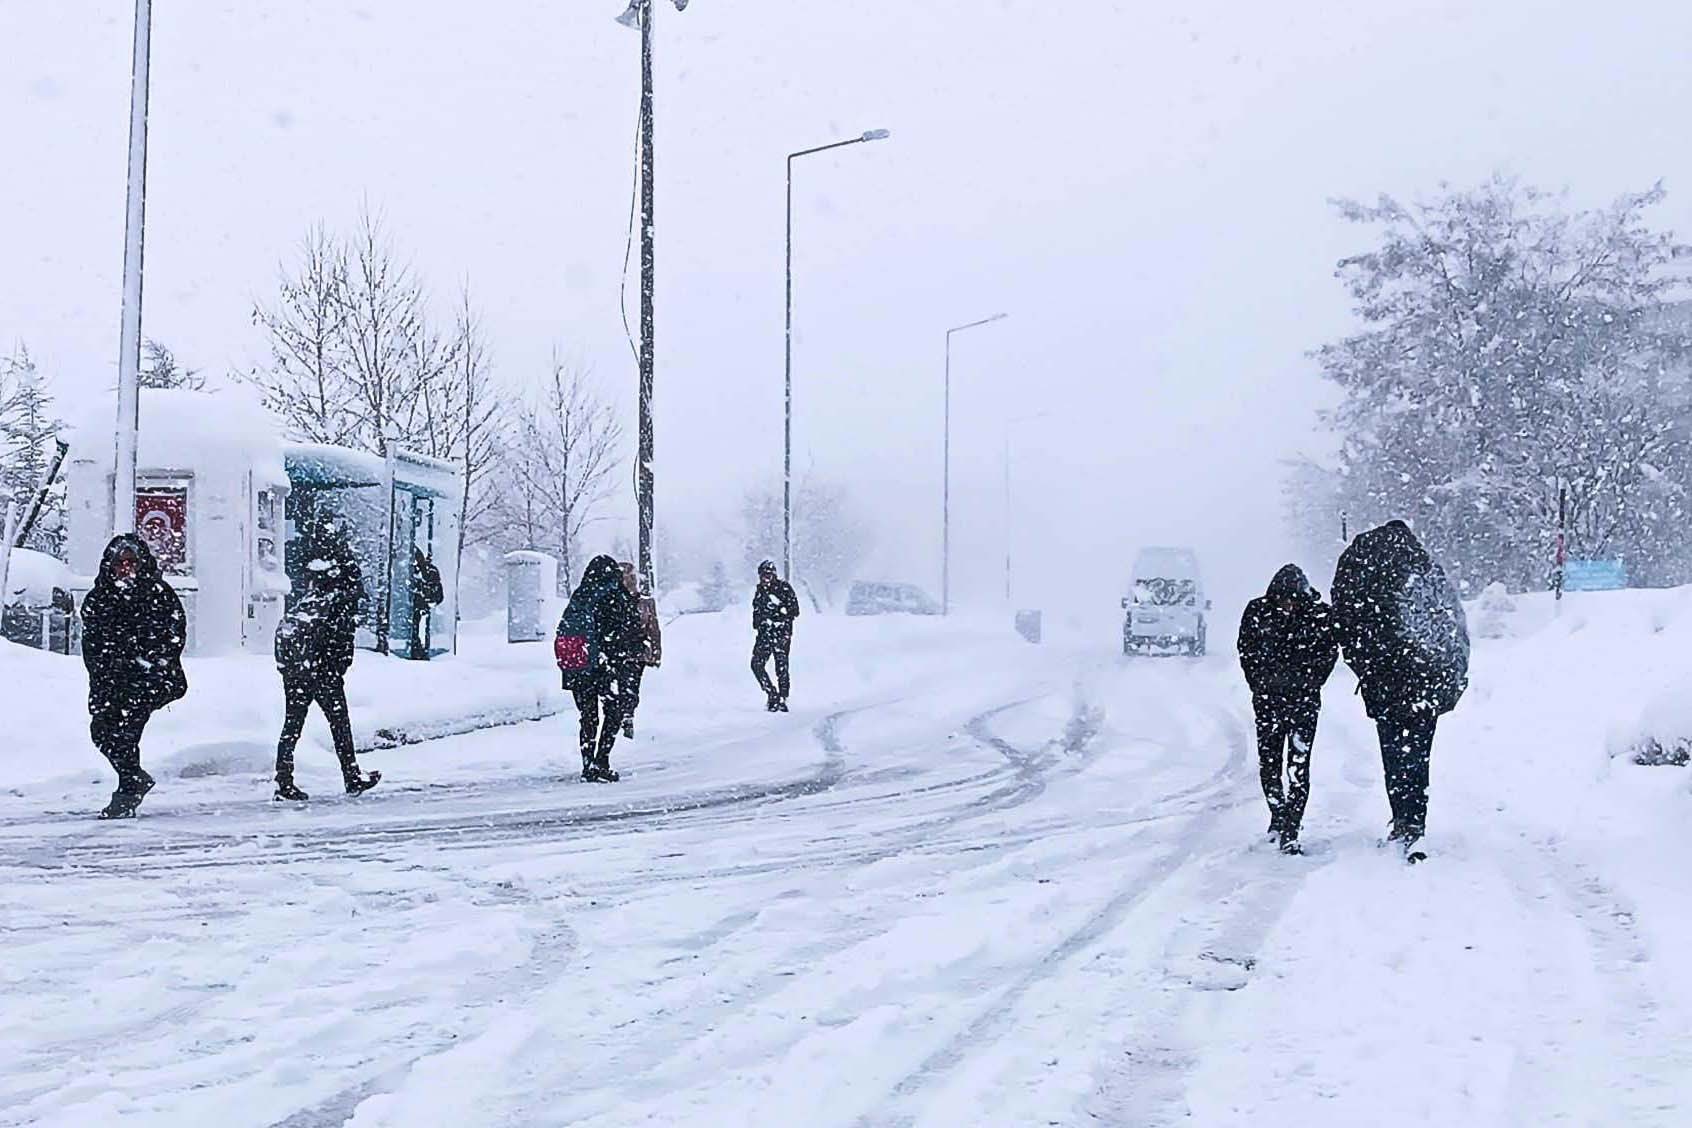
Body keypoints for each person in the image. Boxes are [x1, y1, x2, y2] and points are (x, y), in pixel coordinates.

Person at [1331, 520, 1469, 858]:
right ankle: (1415, 822)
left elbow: (1347, 625)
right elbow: (1452, 626)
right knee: (1419, 756)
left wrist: (1367, 668)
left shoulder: (1367, 575)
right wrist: (1448, 677)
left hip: (1387, 685)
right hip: (1427, 684)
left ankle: (1402, 818)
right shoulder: (1425, 572)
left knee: (1394, 755)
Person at [80, 534, 187, 819]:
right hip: (111, 681)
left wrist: (153, 664)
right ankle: (133, 779)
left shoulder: (157, 594)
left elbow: (174, 635)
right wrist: (104, 674)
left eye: (131, 563)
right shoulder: (99, 598)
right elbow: (92, 644)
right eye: (120, 563)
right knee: (102, 732)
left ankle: (127, 794)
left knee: (127, 733)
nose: (126, 569)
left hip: (149, 680)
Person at [273, 520, 382, 801]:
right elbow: (338, 641)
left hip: (299, 669)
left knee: (292, 724)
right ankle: (351, 776)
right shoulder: (340, 599)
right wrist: (335, 667)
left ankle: (284, 779)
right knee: (339, 723)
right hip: (322, 672)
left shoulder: (314, 593)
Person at [1238, 564, 1338, 854]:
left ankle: (1291, 827)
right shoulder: (1258, 612)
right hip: (1269, 701)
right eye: (1283, 600)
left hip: (1302, 702)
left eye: (1292, 601)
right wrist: (1260, 684)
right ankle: (1278, 815)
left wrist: (1310, 683)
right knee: (1269, 765)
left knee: (1298, 766)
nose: (1287, 606)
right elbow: (1246, 651)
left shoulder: (1319, 616)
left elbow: (1329, 653)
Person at [555, 554, 643, 782]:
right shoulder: (614, 594)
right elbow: (626, 629)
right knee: (613, 711)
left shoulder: (581, 594)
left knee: (588, 716)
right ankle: (601, 761)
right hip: (604, 665)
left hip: (578, 666)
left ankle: (587, 764)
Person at [617, 562, 663, 739]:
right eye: (627, 577)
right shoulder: (612, 601)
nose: (631, 581)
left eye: (632, 577)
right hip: (616, 651)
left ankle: (627, 716)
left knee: (630, 686)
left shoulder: (645, 603)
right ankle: (622, 715)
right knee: (621, 686)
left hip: (636, 652)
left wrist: (656, 652)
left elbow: (654, 629)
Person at [750, 559, 800, 711]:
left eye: (768, 574)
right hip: (764, 635)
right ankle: (772, 694)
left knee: (781, 667)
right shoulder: (760, 591)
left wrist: (779, 614)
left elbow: (794, 610)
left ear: (773, 575)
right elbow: (757, 611)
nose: (765, 578)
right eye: (763, 575)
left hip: (781, 634)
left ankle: (783, 699)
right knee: (756, 664)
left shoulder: (784, 588)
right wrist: (758, 623)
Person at [409, 548, 444, 660]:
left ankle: (419, 650)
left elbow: (438, 595)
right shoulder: (426, 570)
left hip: (419, 609)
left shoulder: (429, 571)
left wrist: (427, 602)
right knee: (417, 628)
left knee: (419, 628)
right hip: (416, 609)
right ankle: (418, 649)